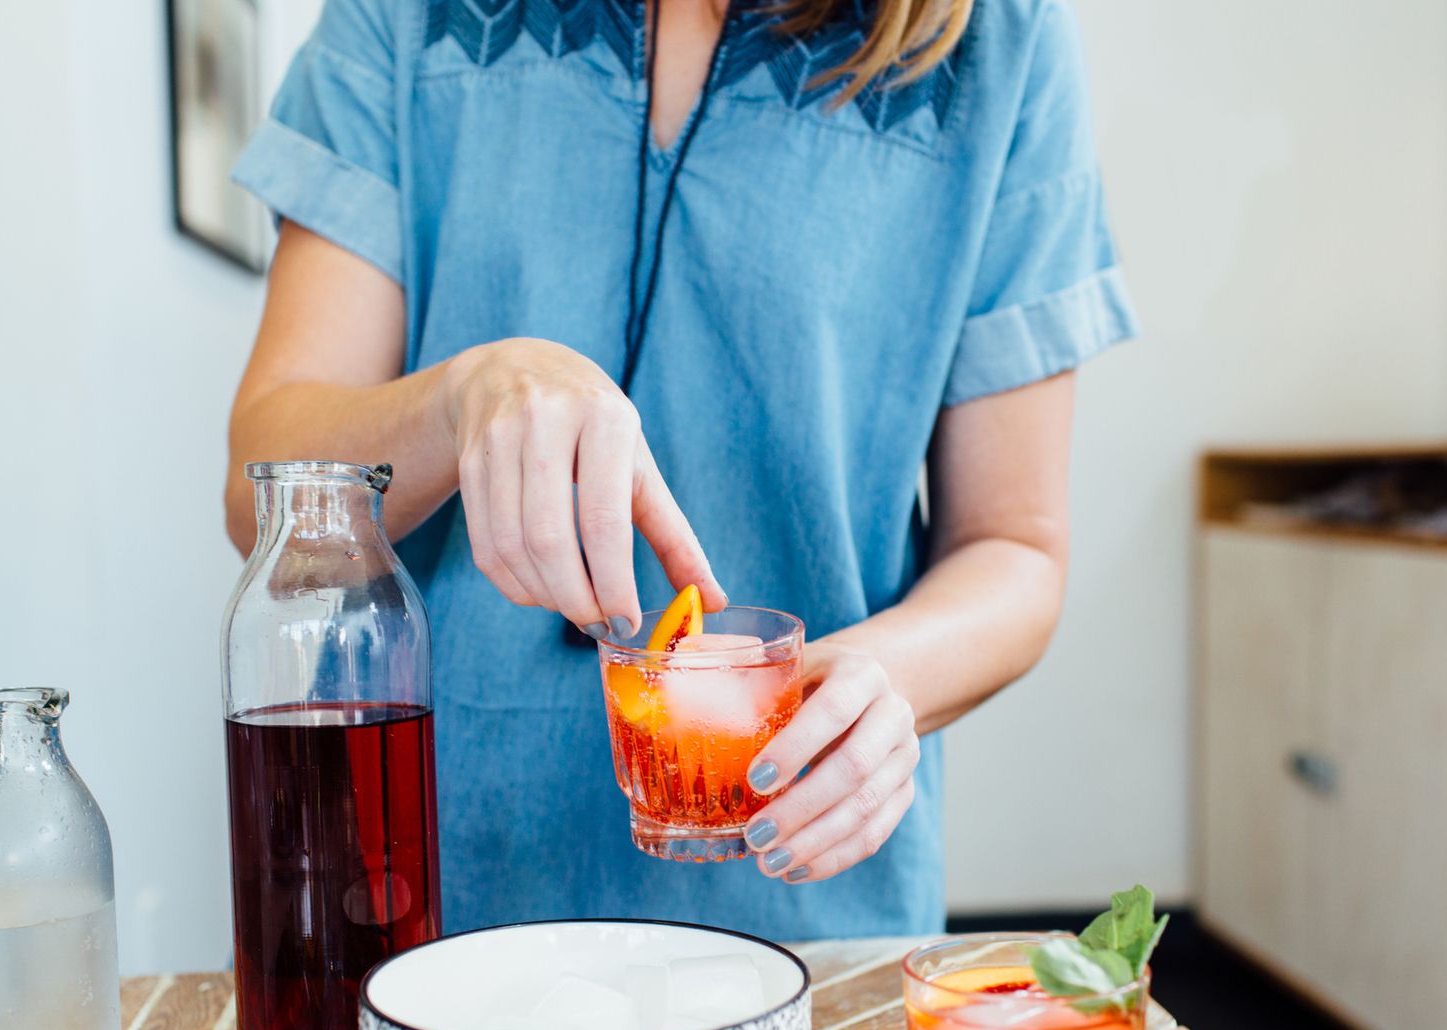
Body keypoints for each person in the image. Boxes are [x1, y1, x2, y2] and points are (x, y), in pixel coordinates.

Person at [225, 0, 1137, 940]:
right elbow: (259, 491)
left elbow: (1015, 546)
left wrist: (880, 681)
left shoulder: (999, 41)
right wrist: (461, 397)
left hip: (803, 931)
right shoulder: (405, 19)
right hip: (408, 905)